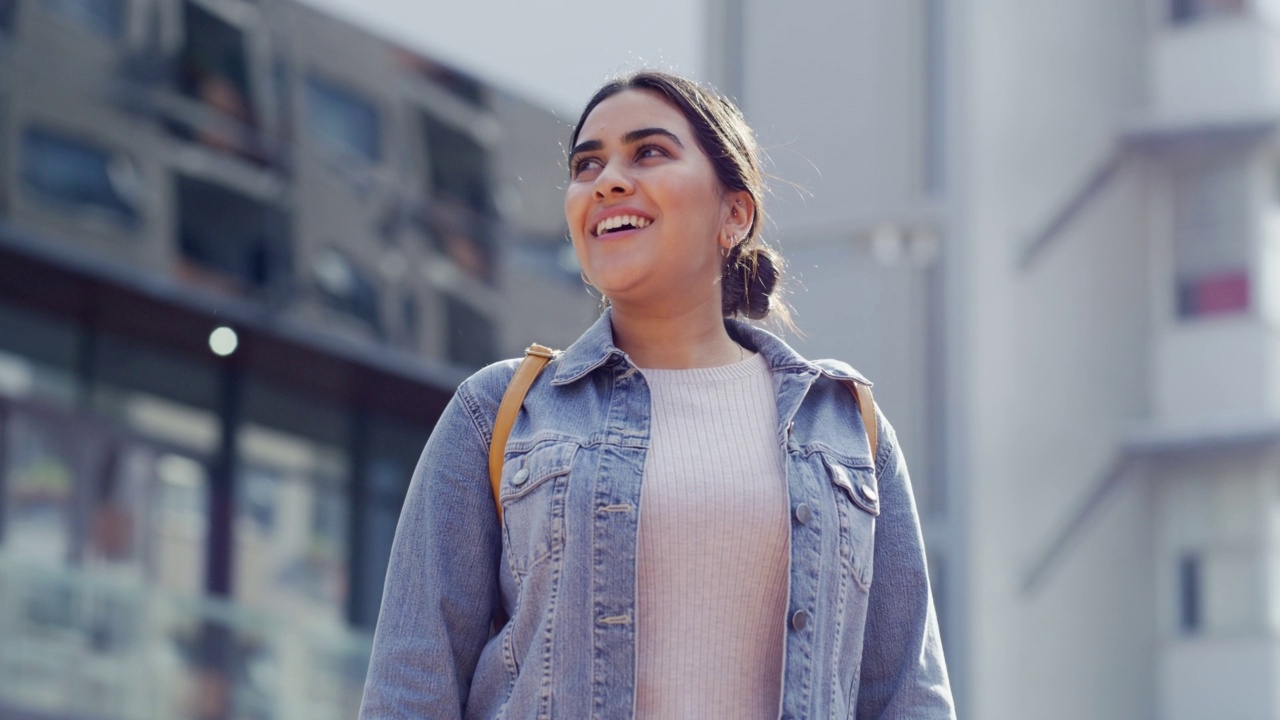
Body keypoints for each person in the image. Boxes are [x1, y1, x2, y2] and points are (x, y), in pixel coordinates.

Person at [359, 71, 954, 719]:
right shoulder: (498, 412)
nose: (607, 179)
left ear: (734, 213)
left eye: (649, 152)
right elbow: (410, 686)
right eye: (587, 164)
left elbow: (907, 697)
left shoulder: (844, 427)